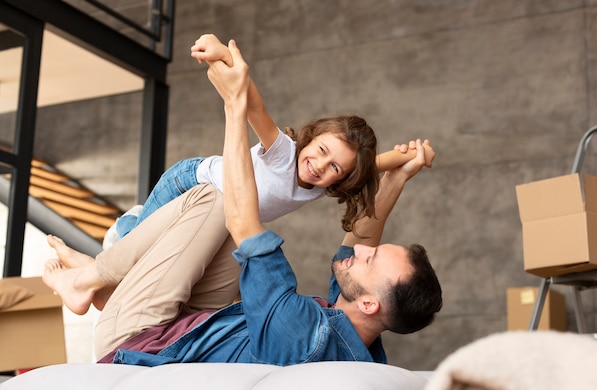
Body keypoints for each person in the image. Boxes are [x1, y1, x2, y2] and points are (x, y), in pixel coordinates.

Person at [43, 38, 442, 366]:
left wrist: (233, 105)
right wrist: (398, 175)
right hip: (189, 321)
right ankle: (106, 278)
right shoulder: (357, 345)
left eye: (371, 260)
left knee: (220, 202)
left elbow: (244, 219)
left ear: (370, 302)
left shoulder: (300, 331)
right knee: (223, 225)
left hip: (139, 340)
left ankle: (88, 279)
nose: (365, 252)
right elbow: (363, 214)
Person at [104, 34, 421, 248]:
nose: (320, 165)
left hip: (216, 210)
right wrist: (223, 53)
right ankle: (126, 223)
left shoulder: (324, 184)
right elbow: (254, 105)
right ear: (309, 140)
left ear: (343, 177)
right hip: (189, 182)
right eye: (322, 150)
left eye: (335, 166)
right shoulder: (284, 152)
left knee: (164, 248)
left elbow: (372, 166)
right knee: (134, 242)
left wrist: (411, 156)